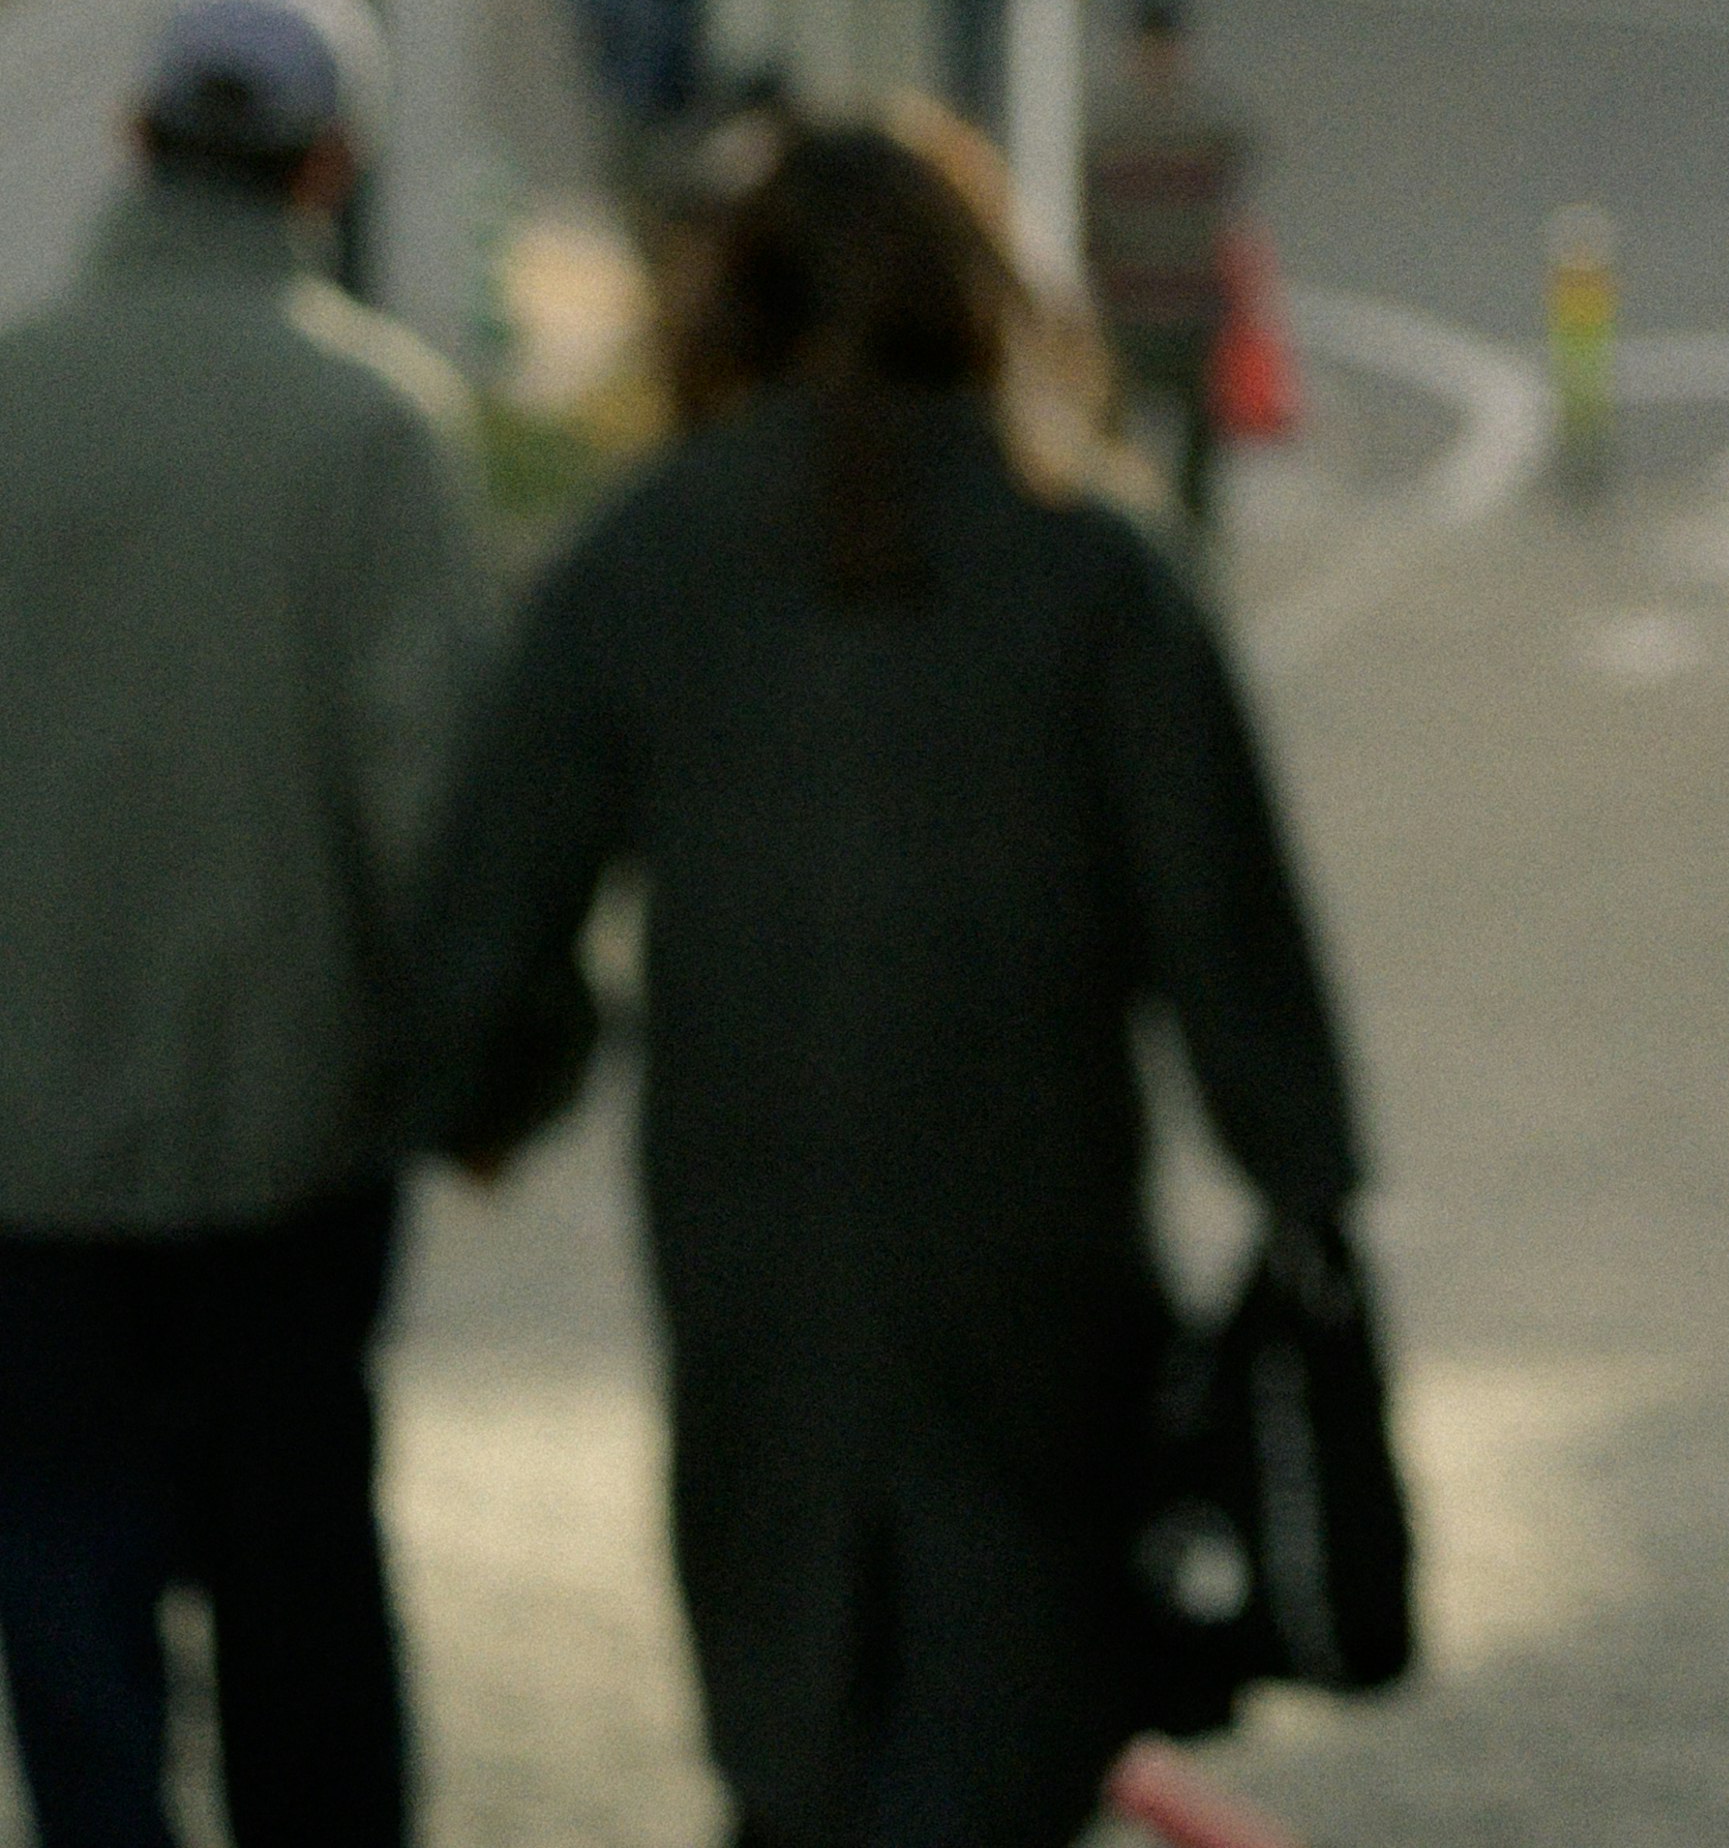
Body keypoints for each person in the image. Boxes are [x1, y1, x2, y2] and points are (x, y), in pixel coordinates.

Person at [407, 111, 1364, 1848]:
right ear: (979, 294)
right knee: (1012, 1725)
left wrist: (481, 1100)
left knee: (797, 1718)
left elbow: (488, 924)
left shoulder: (644, 557)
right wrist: (1308, 1193)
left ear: (737, 310)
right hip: (1039, 1257)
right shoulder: (1095, 566)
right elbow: (1229, 931)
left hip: (752, 1252)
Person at [0, 0, 491, 1848]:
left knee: (59, 1585)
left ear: (131, 141)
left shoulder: (12, 400)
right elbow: (436, 807)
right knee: (300, 1587)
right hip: (287, 1144)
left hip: (23, 1156)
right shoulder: (371, 430)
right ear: (330, 170)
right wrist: (488, 1074)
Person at [1080, 0, 1249, 531]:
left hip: (1133, 307)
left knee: (1121, 438)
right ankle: (1187, 547)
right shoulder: (1213, 125)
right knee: (1193, 450)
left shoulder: (1101, 126)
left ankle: (1123, 537)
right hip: (1179, 306)